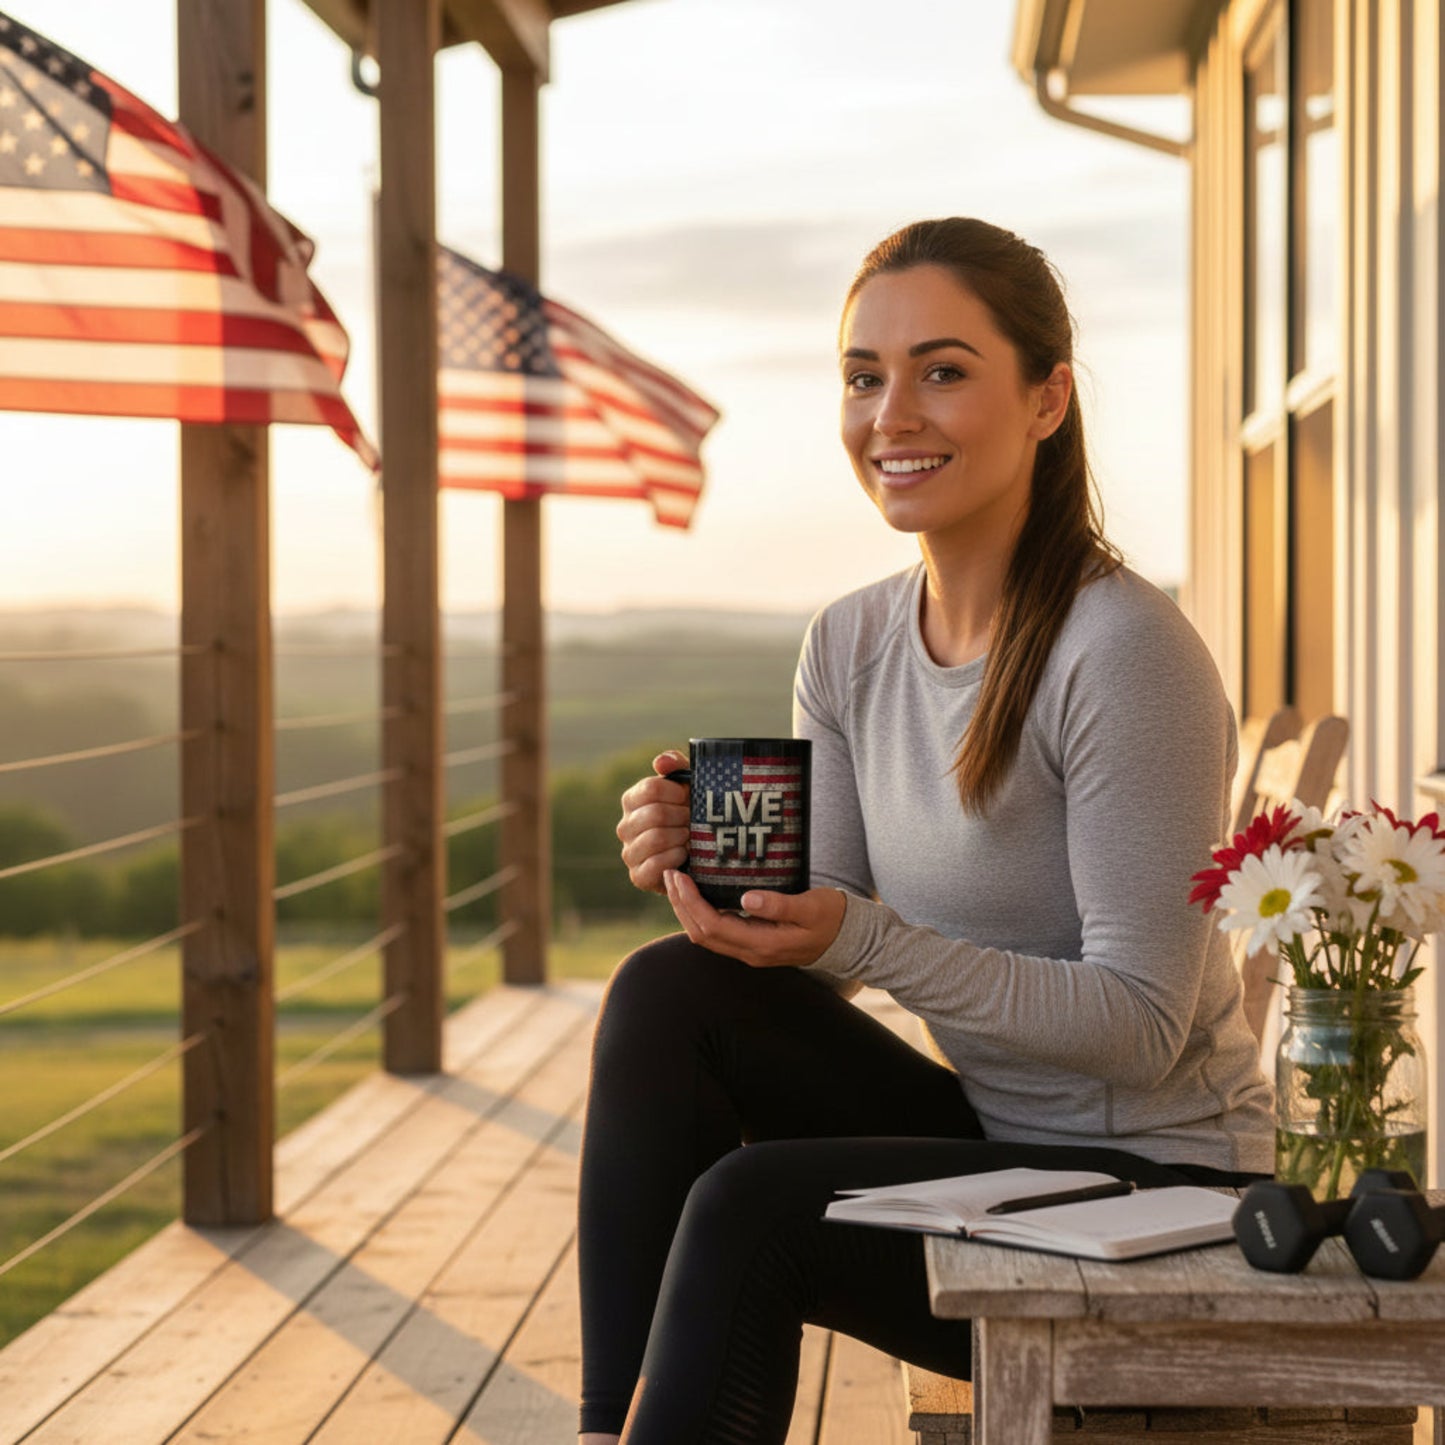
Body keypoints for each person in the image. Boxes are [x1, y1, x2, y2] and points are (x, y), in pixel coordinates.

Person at [578, 217, 1274, 1445]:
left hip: (1170, 1198)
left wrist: (866, 933)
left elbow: (1139, 1024)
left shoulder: (1121, 653)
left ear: (1046, 397)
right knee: (666, 990)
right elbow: (831, 927)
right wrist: (712, 870)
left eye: (942, 370)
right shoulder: (847, 642)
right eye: (863, 375)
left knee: (750, 1208)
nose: (890, 412)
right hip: (1001, 1151)